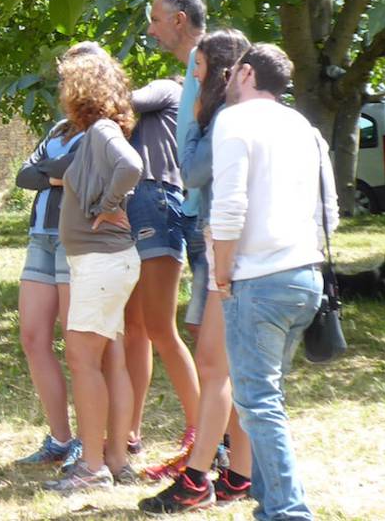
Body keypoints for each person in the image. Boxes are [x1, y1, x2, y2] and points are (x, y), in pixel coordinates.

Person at [210, 43, 334, 521]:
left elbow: (229, 206)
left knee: (258, 401)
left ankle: (287, 511)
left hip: (256, 280)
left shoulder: (235, 122)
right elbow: (330, 211)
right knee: (263, 398)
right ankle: (269, 498)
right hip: (306, 277)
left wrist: (222, 270)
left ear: (244, 73)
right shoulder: (303, 127)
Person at [140, 29, 255, 513]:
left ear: (222, 75)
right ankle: (239, 477)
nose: (194, 78)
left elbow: (190, 171)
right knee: (234, 371)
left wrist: (191, 123)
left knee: (215, 367)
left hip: (226, 250)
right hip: (232, 248)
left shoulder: (225, 119)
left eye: (200, 71)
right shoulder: (253, 118)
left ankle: (198, 480)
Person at [45, 51, 145, 493]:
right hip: (109, 262)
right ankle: (117, 460)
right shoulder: (97, 133)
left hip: (100, 263)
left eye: (66, 83)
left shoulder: (102, 130)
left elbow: (132, 166)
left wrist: (105, 208)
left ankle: (91, 467)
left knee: (84, 362)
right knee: (110, 358)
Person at [120, 72, 200, 464]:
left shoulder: (169, 89)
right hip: (136, 203)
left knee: (160, 328)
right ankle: (131, 433)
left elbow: (127, 100)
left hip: (157, 199)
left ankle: (201, 429)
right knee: (135, 328)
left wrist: (96, 83)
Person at [12, 114, 83, 469]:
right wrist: (53, 175)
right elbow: (23, 175)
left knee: (78, 345)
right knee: (32, 337)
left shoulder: (100, 127)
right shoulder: (58, 127)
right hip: (40, 237)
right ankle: (59, 439)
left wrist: (48, 172)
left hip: (74, 237)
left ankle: (86, 441)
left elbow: (74, 169)